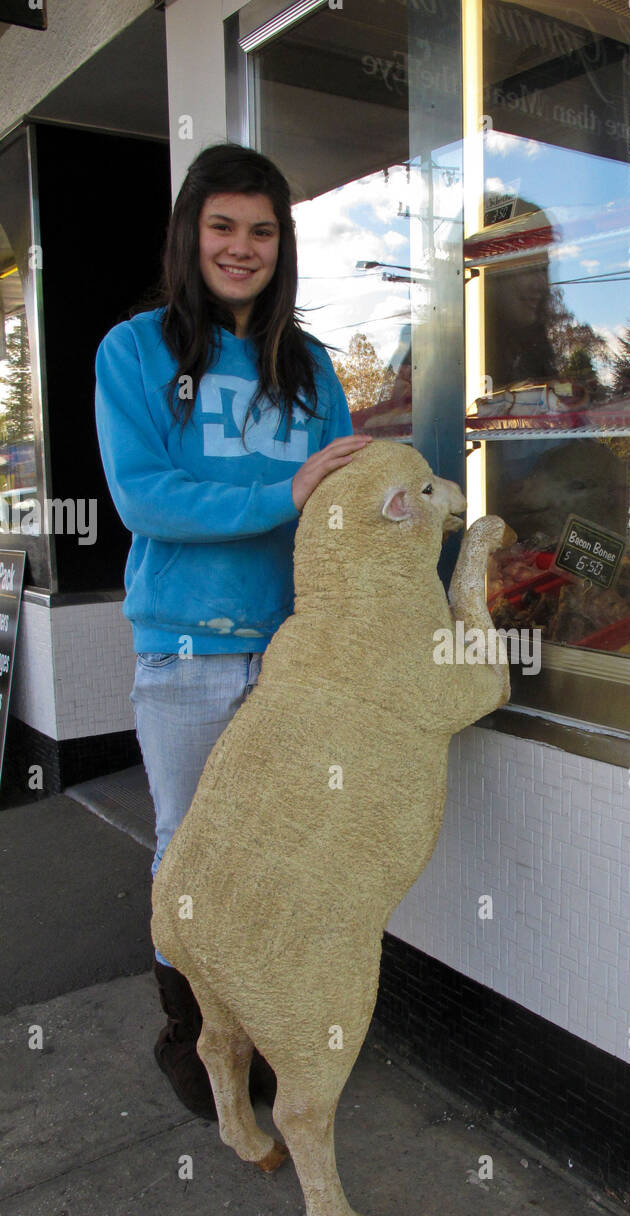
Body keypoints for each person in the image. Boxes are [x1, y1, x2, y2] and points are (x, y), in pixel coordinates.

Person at [94, 142, 371, 1118]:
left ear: (281, 244)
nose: (242, 247)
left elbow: (338, 507)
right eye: (223, 227)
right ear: (191, 234)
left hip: (297, 658)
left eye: (262, 230)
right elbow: (147, 497)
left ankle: (262, 1026)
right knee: (194, 850)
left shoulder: (313, 367)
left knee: (285, 853)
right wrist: (285, 488)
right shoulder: (133, 352)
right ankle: (191, 1032)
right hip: (188, 649)